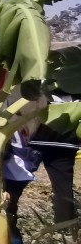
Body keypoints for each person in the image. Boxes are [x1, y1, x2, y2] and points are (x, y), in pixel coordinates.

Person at [29, 91, 80, 226]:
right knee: (63, 188)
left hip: (38, 139)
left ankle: (7, 222)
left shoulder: (45, 84)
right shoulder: (75, 83)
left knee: (13, 184)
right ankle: (65, 227)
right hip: (66, 142)